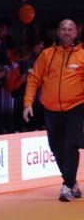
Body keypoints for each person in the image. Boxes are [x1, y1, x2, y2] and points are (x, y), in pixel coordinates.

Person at [23, 19, 84, 201]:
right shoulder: (46, 54)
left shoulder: (82, 55)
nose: (66, 32)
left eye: (70, 29)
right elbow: (34, 79)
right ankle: (72, 182)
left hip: (75, 107)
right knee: (56, 148)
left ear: (75, 33)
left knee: (71, 145)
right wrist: (27, 104)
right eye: (63, 29)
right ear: (58, 32)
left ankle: (67, 186)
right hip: (50, 110)